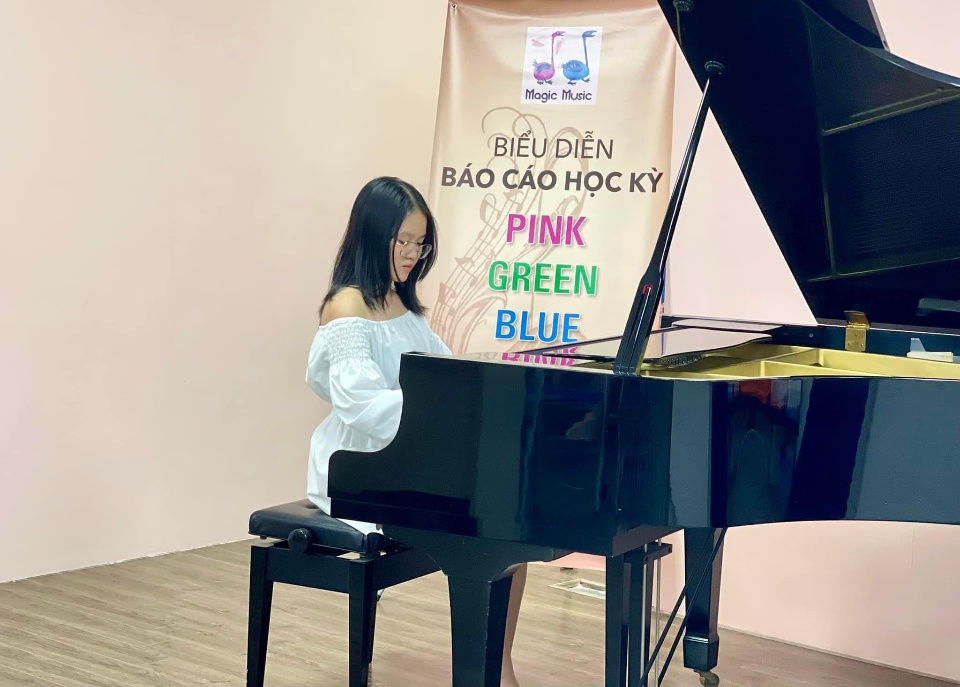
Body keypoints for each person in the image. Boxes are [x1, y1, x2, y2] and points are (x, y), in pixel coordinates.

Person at [304, 176, 526, 686]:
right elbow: (361, 405)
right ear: (371, 235)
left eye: (420, 242)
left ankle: (498, 668)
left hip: (408, 456)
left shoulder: (403, 307)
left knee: (512, 529)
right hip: (358, 466)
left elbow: (445, 375)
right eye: (401, 240)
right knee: (491, 530)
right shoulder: (346, 305)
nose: (411, 253)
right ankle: (487, 672)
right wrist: (439, 416)